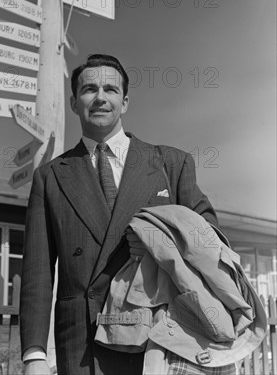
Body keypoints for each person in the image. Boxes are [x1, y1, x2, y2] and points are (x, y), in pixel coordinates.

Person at [19, 54, 218, 375]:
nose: (100, 97)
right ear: (74, 102)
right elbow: (37, 274)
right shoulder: (51, 177)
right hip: (83, 341)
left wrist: (162, 240)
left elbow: (210, 240)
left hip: (162, 337)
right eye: (89, 89)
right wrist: (34, 354)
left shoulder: (172, 164)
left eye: (110, 89)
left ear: (124, 102)